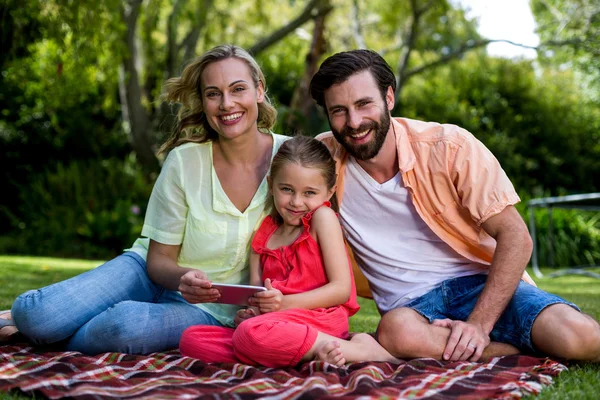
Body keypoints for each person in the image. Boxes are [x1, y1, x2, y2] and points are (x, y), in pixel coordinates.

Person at [308, 49, 600, 363]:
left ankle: (483, 345)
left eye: (364, 104)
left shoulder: (449, 147)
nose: (354, 122)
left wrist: (478, 324)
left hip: (481, 285)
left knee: (581, 339)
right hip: (411, 311)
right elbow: (263, 157)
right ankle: (513, 351)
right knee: (396, 332)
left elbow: (516, 236)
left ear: (389, 97)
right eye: (338, 110)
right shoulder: (321, 161)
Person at [0, 44, 291, 355]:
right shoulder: (184, 161)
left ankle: (31, 338)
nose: (226, 103)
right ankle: (20, 322)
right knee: (38, 315)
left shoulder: (290, 159)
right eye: (213, 93)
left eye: (238, 89)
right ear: (204, 102)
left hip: (214, 309)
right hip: (149, 272)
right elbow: (158, 261)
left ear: (259, 90)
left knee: (125, 326)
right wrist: (183, 278)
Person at [179, 135, 399, 367]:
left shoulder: (322, 220)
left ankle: (359, 349)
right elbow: (255, 297)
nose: (296, 202)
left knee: (250, 335)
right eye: (287, 189)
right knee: (192, 340)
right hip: (276, 324)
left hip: (322, 318)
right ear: (271, 184)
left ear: (329, 192)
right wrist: (252, 312)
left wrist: (280, 305)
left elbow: (341, 290)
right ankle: (308, 352)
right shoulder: (263, 237)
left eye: (309, 193)